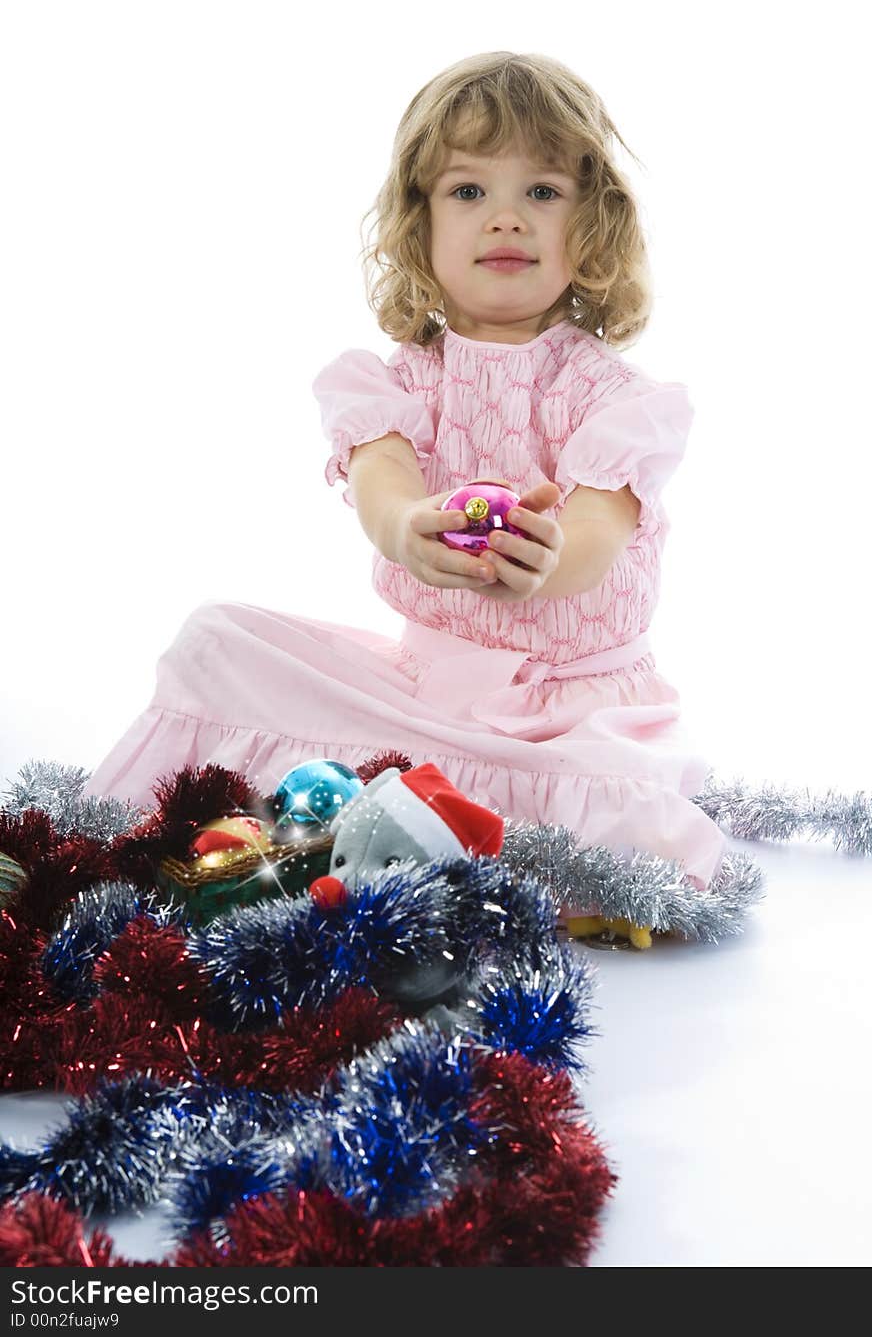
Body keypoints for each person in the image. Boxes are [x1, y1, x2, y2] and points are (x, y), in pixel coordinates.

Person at [83, 51, 727, 893]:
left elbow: (603, 528)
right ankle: (406, 807)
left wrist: (545, 558)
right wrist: (404, 530)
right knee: (216, 638)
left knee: (621, 801)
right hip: (417, 688)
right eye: (468, 192)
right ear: (418, 222)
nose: (505, 219)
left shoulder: (615, 400)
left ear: (592, 223)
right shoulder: (395, 382)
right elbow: (381, 476)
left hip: (567, 709)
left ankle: (453, 818)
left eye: (541, 191)